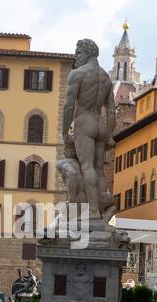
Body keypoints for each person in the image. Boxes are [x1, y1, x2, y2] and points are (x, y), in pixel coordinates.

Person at [62, 38, 116, 219]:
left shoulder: (78, 74)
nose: (75, 56)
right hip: (100, 124)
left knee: (86, 167)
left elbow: (69, 106)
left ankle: (92, 211)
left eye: (78, 53)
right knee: (99, 170)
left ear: (87, 53)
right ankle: (99, 208)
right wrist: (109, 134)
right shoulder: (106, 78)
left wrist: (64, 132)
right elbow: (111, 109)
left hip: (84, 122)